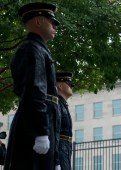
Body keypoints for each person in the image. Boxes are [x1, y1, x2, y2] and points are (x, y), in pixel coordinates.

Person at [5, 2, 61, 170]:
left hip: (42, 118)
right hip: (35, 123)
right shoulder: (32, 49)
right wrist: (40, 132)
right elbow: (34, 90)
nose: (55, 26)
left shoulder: (39, 49)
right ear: (38, 22)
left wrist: (56, 157)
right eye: (52, 22)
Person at [56, 72, 74, 170]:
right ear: (60, 86)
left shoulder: (63, 104)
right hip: (60, 149)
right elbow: (54, 133)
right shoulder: (57, 104)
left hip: (65, 148)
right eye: (69, 84)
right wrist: (56, 160)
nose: (72, 86)